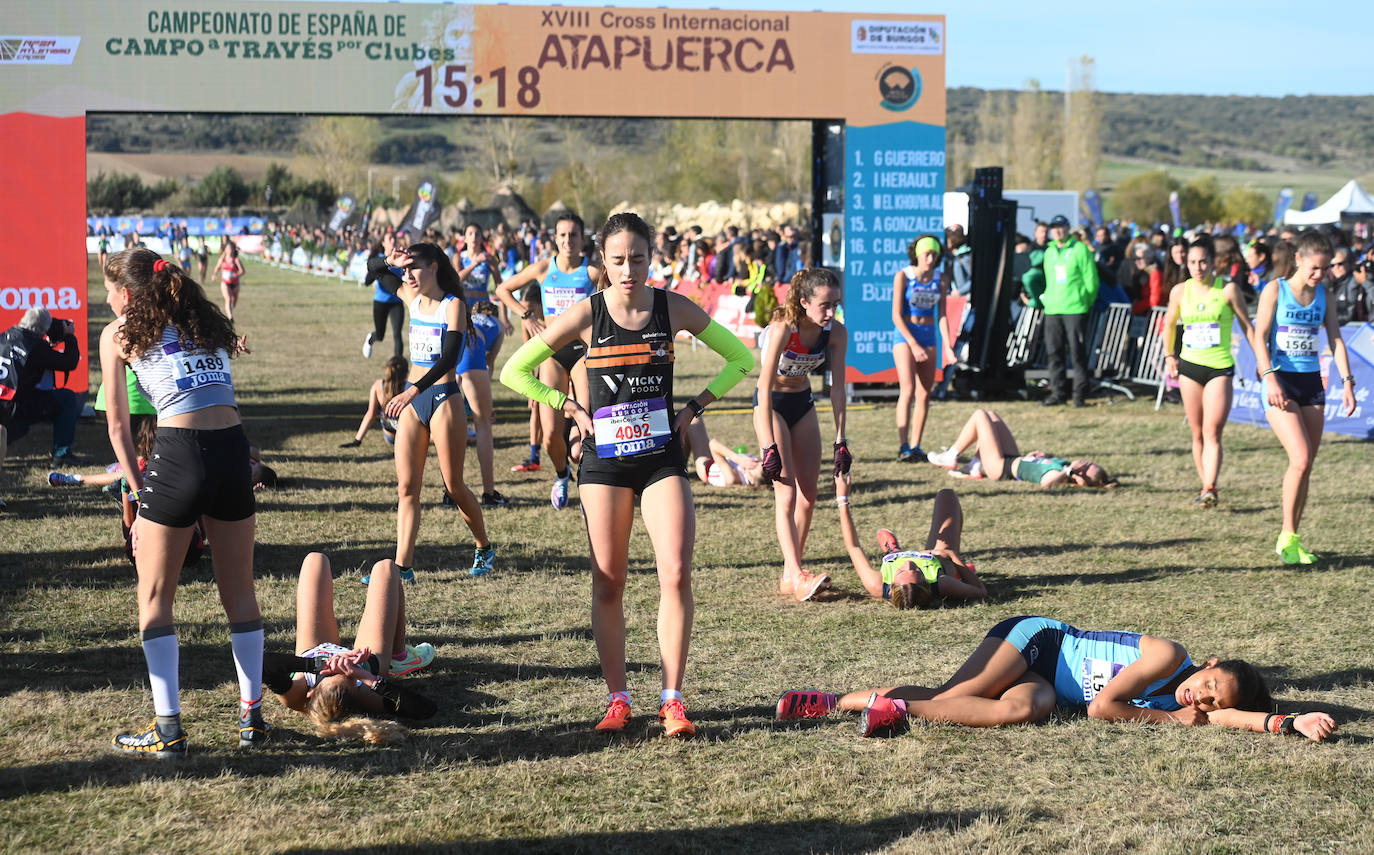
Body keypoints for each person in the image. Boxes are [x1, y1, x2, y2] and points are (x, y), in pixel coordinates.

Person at [500, 212, 753, 738]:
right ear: (603, 262)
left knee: (676, 572)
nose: (629, 270)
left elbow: (739, 357)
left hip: (661, 458)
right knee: (609, 580)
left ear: (651, 255)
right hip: (605, 464)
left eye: (637, 258)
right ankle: (618, 698)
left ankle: (673, 699)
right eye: (617, 260)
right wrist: (567, 407)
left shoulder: (672, 307)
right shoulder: (587, 313)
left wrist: (694, 408)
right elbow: (514, 371)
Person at [101, 248, 265, 756]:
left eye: (108, 292)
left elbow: (116, 426)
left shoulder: (119, 332)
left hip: (178, 454)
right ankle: (252, 718)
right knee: (240, 593)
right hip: (233, 450)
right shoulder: (204, 322)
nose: (106, 301)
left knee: (154, 601)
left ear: (127, 295)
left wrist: (134, 489)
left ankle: (169, 729)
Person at [776, 616, 1337, 744]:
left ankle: (889, 708)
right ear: (1209, 662)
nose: (1204, 698)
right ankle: (832, 701)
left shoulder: (1210, 703)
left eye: (1212, 700)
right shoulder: (1170, 656)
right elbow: (1104, 708)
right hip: (1039, 641)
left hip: (1047, 684)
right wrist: (1166, 716)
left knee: (1025, 710)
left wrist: (1286, 721)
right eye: (1211, 683)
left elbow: (1233, 716)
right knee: (952, 698)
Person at [384, 241, 493, 581]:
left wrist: (413, 389)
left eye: (414, 267)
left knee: (454, 485)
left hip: (444, 398)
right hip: (413, 403)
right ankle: (404, 567)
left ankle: (483, 547)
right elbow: (372, 274)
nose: (408, 274)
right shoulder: (410, 297)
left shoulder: (453, 305)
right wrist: (388, 260)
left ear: (434, 267)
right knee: (407, 488)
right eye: (404, 269)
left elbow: (449, 358)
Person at [1249, 230, 1358, 565]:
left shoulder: (1323, 293)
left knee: (1307, 464)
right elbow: (1259, 337)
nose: (1319, 275)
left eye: (1324, 269)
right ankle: (1286, 535)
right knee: (1299, 457)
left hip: (1311, 383)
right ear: (1298, 259)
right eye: (1314, 268)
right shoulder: (1275, 290)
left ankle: (1293, 539)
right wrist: (1269, 378)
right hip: (1280, 381)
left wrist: (1348, 382)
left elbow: (1336, 339)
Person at [264, 553, 437, 745]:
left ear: (310, 694)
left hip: (313, 648)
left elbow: (264, 663)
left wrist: (318, 665)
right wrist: (364, 675)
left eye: (329, 675)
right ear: (356, 689)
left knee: (315, 561)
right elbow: (426, 709)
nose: (340, 666)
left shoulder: (296, 697)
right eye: (347, 675)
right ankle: (399, 656)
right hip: (369, 661)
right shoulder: (367, 697)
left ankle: (384, 660)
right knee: (386, 569)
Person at [755, 267, 850, 602]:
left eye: (835, 304)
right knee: (787, 495)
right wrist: (767, 444)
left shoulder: (836, 332)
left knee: (809, 496)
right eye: (824, 305)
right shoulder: (784, 328)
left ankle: (789, 573)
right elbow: (763, 388)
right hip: (773, 406)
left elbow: (838, 390)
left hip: (803, 403)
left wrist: (842, 439)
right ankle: (797, 574)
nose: (831, 312)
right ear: (805, 302)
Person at [494, 212, 600, 507]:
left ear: (582, 239)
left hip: (581, 353)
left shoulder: (593, 272)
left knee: (587, 427)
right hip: (551, 353)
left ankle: (589, 488)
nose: (568, 241)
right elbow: (502, 289)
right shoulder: (543, 268)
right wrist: (526, 316)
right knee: (551, 434)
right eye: (562, 235)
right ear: (555, 238)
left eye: (573, 235)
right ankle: (562, 474)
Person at [1161, 235, 1256, 507]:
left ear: (1214, 262)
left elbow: (1247, 326)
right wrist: (1170, 355)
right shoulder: (1180, 291)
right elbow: (1169, 325)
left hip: (1219, 367)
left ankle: (1210, 486)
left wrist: (1262, 359)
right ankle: (1206, 488)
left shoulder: (1227, 290)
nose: (1198, 266)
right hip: (1190, 367)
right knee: (1197, 433)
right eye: (1192, 262)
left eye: (1203, 261)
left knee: (1212, 431)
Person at [832, 472, 986, 608]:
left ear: (891, 588)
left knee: (897, 557)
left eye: (901, 571)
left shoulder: (876, 585)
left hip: (915, 559)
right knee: (947, 495)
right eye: (917, 571)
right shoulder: (943, 584)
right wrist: (951, 556)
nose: (909, 563)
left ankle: (894, 552)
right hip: (936, 558)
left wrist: (842, 499)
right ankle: (958, 574)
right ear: (927, 583)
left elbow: (853, 547)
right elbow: (980, 591)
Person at [925, 409, 1115, 488]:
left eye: (1088, 466)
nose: (1085, 462)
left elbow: (1046, 484)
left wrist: (1068, 471)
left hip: (1001, 467)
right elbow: (1039, 467)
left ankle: (952, 456)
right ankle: (974, 466)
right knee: (992, 416)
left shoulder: (1063, 474)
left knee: (980, 415)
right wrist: (1039, 456)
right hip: (1013, 457)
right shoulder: (1063, 465)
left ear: (1082, 477)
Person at [0, 307, 84, 482]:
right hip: (15, 408)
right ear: (42, 330)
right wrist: (69, 336)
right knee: (67, 398)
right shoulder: (35, 347)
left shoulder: (4, 335)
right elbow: (69, 361)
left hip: (3, 402)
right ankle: (62, 454)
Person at [891, 235, 956, 462]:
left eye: (934, 255)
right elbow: (896, 316)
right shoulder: (904, 276)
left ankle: (917, 444)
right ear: (917, 255)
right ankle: (903, 445)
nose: (930, 259)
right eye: (926, 254)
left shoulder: (941, 279)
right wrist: (913, 343)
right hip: (906, 336)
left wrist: (948, 347)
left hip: (929, 337)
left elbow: (943, 315)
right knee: (907, 390)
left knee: (924, 393)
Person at [1040, 214, 1099, 407]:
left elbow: (1091, 279)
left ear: (1067, 228)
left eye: (1061, 227)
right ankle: (1058, 393)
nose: (1057, 231)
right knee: (1054, 352)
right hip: (1053, 309)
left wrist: (1085, 301)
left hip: (1075, 307)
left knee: (1077, 353)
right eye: (1054, 228)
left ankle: (1079, 395)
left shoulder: (1080, 249)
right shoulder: (1048, 252)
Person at [455, 301, 509, 509]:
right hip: (473, 347)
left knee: (450, 424)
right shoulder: (498, 325)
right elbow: (489, 363)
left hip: (454, 340)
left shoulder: (470, 316)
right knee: (483, 423)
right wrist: (486, 403)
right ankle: (489, 493)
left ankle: (450, 492)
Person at [680, 414, 764, 488]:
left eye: (754, 466)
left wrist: (738, 459)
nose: (754, 461)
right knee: (690, 422)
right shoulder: (749, 472)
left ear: (751, 480)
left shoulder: (731, 478)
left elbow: (713, 445)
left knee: (694, 418)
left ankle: (679, 468)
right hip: (716, 459)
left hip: (705, 465)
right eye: (757, 461)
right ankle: (681, 466)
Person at [340, 356, 407, 448]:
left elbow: (370, 415)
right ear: (406, 373)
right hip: (408, 437)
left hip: (390, 437)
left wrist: (357, 440)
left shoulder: (378, 386)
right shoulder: (410, 390)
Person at [362, 231, 407, 360]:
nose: (393, 241)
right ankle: (371, 338)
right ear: (383, 243)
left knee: (397, 334)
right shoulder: (379, 259)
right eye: (390, 238)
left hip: (396, 302)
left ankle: (399, 366)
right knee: (380, 335)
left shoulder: (400, 257)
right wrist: (374, 272)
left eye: (394, 238)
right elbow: (367, 281)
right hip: (380, 302)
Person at [213, 240, 245, 321]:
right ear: (225, 250)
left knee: (234, 300)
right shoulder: (222, 260)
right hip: (225, 283)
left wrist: (235, 275)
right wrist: (214, 275)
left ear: (234, 250)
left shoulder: (236, 260)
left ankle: (231, 310)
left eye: (231, 248)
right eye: (228, 248)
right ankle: (230, 317)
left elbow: (242, 271)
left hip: (235, 283)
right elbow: (217, 267)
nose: (230, 250)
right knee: (228, 299)